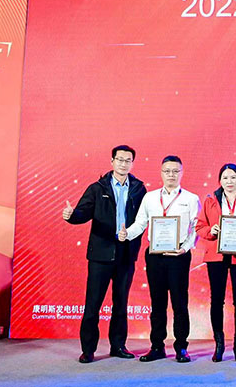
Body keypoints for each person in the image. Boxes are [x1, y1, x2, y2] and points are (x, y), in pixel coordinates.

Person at [62, 145, 146, 363]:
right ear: (112, 161)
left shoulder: (139, 189)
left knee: (121, 303)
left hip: (126, 253)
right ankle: (88, 349)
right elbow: (82, 213)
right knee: (93, 304)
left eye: (128, 160)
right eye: (120, 160)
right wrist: (71, 215)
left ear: (132, 163)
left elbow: (143, 219)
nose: (123, 164)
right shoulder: (97, 188)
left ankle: (118, 346)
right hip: (100, 254)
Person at [120, 155, 201, 363]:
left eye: (175, 171)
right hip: (155, 256)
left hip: (179, 256)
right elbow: (140, 223)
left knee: (179, 303)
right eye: (167, 171)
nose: (171, 175)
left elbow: (196, 228)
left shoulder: (191, 199)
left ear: (181, 173)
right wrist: (127, 234)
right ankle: (157, 346)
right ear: (161, 173)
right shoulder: (150, 198)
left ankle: (181, 347)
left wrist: (185, 248)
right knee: (157, 303)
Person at [196, 163, 236, 362]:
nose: (229, 181)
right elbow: (200, 227)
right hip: (216, 256)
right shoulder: (210, 200)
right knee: (217, 300)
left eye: (233, 177)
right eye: (225, 178)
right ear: (220, 181)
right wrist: (211, 231)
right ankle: (219, 345)